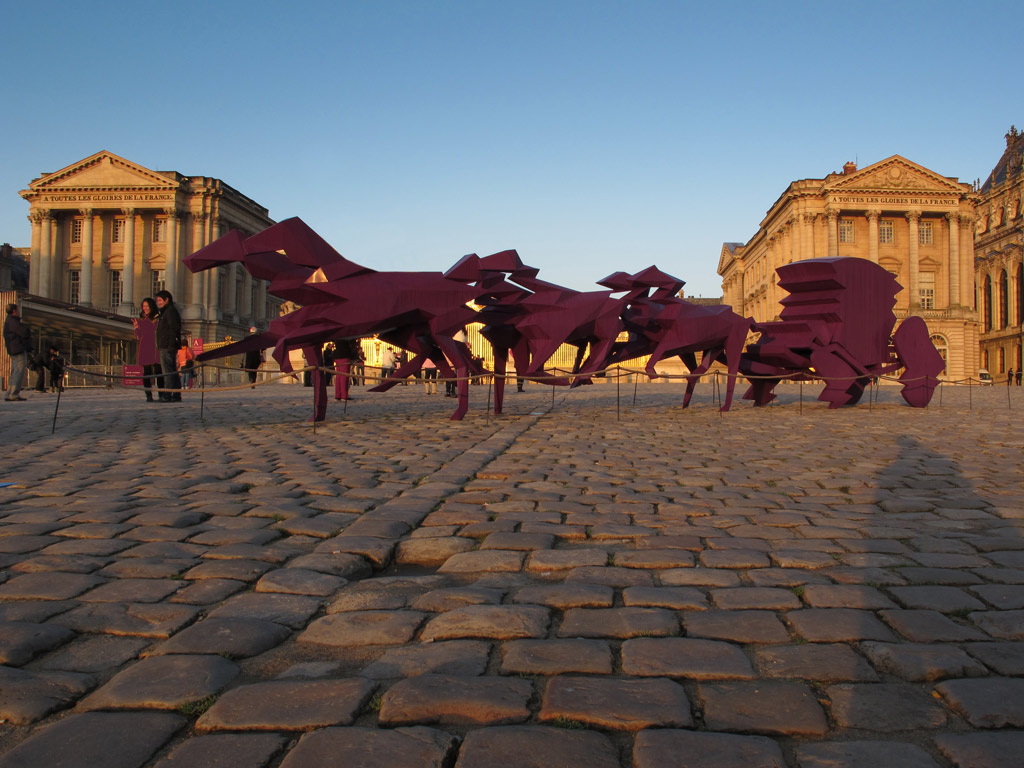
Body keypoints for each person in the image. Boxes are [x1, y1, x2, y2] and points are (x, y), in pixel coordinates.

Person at [154, 290, 182, 402]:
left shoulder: (169, 311)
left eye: (160, 300)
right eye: (157, 301)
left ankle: (167, 395)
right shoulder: (166, 311)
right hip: (167, 345)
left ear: (167, 300)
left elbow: (173, 329)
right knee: (172, 371)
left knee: (168, 372)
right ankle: (176, 395)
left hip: (167, 346)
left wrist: (170, 345)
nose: (158, 303)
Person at [132, 298, 162, 402]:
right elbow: (138, 336)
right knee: (147, 373)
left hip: (156, 347)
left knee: (159, 372)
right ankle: (148, 395)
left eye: (147, 306)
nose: (145, 309)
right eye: (143, 306)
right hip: (146, 347)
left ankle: (162, 394)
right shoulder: (141, 320)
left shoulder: (158, 318)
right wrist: (136, 328)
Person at [3, 304, 30, 401]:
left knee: (15, 371)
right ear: (14, 311)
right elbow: (24, 333)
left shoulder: (9, 321)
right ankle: (13, 393)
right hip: (18, 349)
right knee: (18, 371)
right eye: (17, 310)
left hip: (13, 349)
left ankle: (10, 393)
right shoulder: (13, 322)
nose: (19, 312)